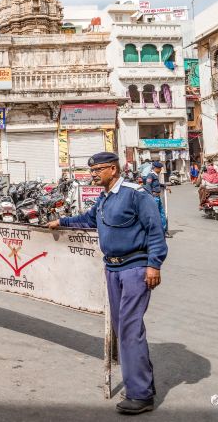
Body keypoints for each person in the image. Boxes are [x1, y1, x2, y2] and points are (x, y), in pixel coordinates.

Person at [48, 152, 167, 415]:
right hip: (112, 268)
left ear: (113, 169)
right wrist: (62, 222)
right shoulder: (104, 198)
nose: (92, 174)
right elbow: (90, 220)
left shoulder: (136, 194)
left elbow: (154, 229)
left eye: (97, 170)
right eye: (91, 170)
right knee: (121, 327)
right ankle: (142, 383)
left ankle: (141, 395)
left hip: (136, 268)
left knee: (129, 328)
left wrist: (154, 264)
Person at [143, 161, 170, 237]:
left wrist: (165, 186)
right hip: (154, 198)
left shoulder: (155, 175)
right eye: (160, 168)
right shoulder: (150, 175)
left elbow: (157, 184)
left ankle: (163, 231)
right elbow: (148, 187)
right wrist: (150, 197)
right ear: (155, 168)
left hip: (157, 197)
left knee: (162, 214)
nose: (161, 170)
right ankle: (153, 232)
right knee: (154, 215)